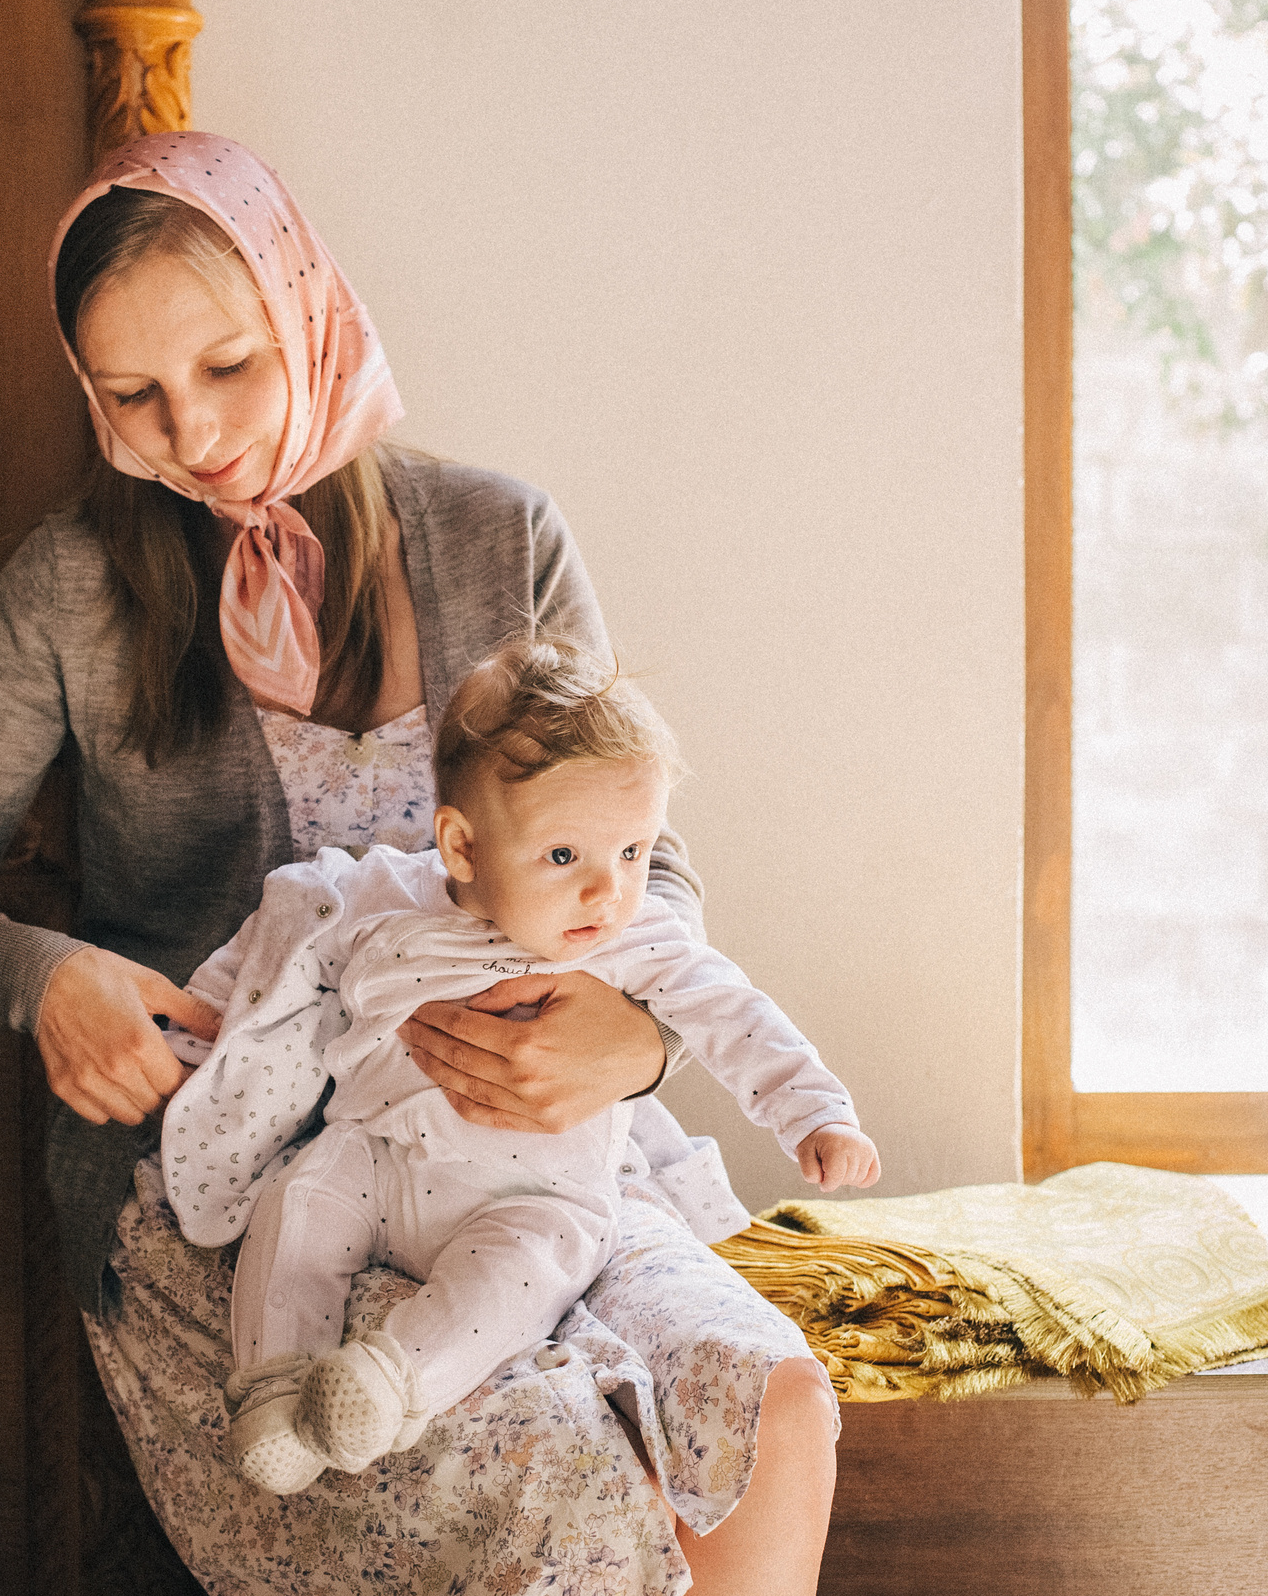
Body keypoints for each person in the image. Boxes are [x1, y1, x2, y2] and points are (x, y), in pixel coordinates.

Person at [0, 130, 847, 1596]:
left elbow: (655, 862)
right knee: (555, 1485)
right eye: (131, 394)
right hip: (239, 1191)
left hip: (540, 1161)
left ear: (305, 308)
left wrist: (635, 1040)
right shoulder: (71, 585)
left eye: (228, 365)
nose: (193, 433)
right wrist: (43, 975)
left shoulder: (504, 538)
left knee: (772, 1410)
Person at [167, 638, 881, 1497]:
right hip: (375, 1158)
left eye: (633, 852)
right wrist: (188, 1037)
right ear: (462, 848)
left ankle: (389, 1382)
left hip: (531, 1197)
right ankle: (275, 1385)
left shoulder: (632, 937)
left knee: (527, 1271)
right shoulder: (377, 898)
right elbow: (268, 957)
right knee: (300, 1203)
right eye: (564, 857)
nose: (608, 892)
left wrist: (818, 1113)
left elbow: (734, 1012)